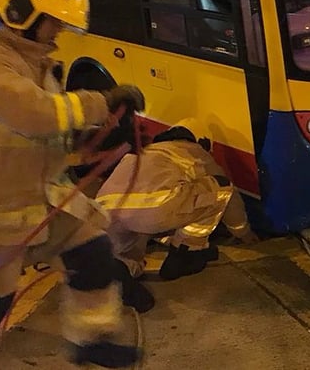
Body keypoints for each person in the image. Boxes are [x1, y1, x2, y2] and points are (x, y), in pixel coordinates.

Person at [0, 0, 144, 369]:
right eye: (53, 21)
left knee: (93, 253)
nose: (57, 31)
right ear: (20, 13)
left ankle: (91, 340)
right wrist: (100, 101)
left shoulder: (31, 61)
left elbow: (47, 132)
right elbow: (34, 113)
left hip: (37, 198)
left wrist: (93, 132)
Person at [97, 118, 258, 309]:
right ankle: (186, 254)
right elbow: (229, 198)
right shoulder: (193, 151)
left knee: (129, 256)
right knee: (221, 187)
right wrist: (244, 233)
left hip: (105, 213)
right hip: (152, 212)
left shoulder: (144, 152)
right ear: (201, 141)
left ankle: (120, 272)